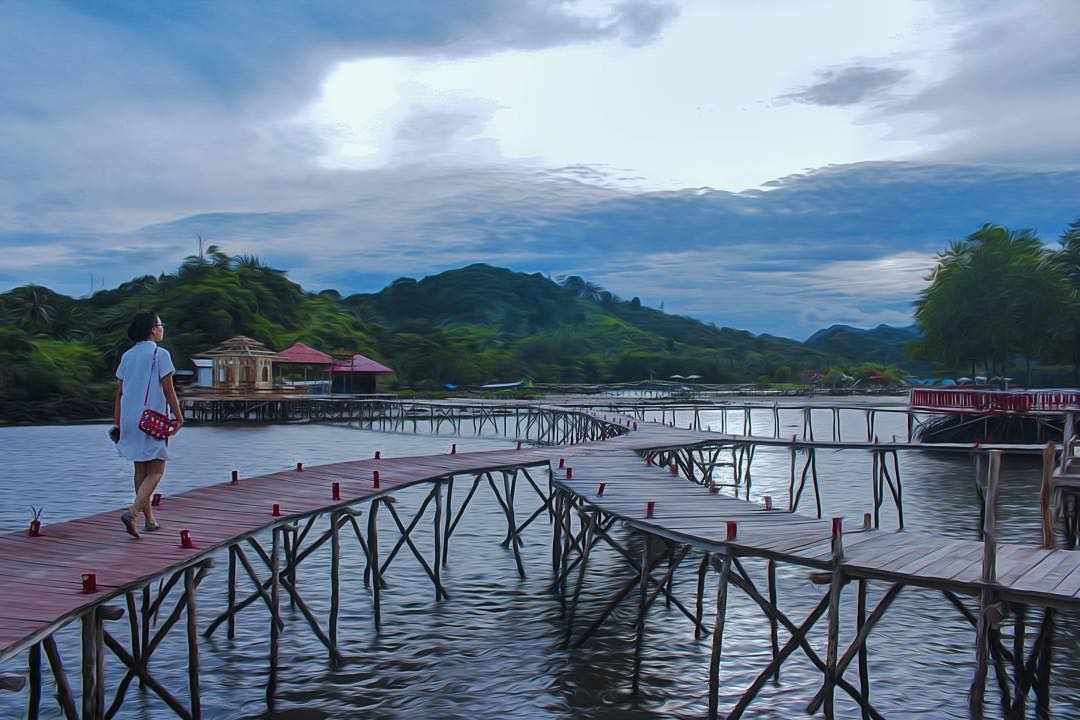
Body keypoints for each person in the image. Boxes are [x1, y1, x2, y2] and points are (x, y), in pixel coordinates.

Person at [113, 310, 183, 538]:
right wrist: (178, 416)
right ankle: (132, 513)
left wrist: (118, 421)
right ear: (153, 329)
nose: (162, 328)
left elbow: (119, 393)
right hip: (151, 419)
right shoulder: (160, 354)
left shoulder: (127, 356)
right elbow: (168, 388)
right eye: (161, 325)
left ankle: (150, 520)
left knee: (140, 469)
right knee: (156, 470)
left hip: (129, 418)